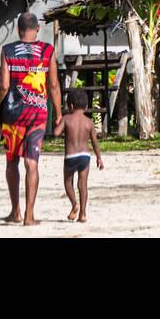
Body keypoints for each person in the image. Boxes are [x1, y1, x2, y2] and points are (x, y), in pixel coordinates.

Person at [0, 12, 62, 225]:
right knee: (31, 163)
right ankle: (29, 215)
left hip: (13, 116)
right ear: (37, 30)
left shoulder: (7, 51)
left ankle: (15, 211)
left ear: (18, 30)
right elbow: (53, 86)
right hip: (37, 116)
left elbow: (4, 86)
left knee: (12, 162)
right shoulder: (47, 51)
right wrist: (59, 114)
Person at [57, 87, 103, 222]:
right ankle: (83, 214)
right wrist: (99, 158)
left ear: (70, 106)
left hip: (70, 157)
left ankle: (74, 204)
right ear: (87, 106)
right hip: (85, 156)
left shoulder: (66, 119)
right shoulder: (89, 122)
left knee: (68, 182)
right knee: (83, 185)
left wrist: (58, 123)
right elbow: (95, 142)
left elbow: (56, 133)